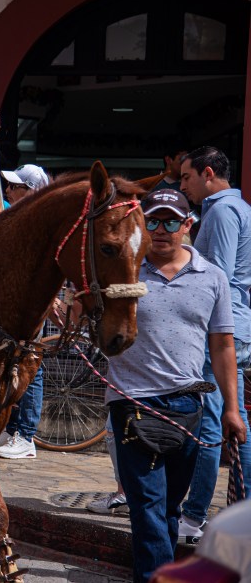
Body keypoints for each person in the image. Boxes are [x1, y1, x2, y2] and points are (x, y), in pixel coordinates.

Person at [106, 188, 244, 583]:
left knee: (168, 507)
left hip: (187, 406)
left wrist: (232, 409)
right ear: (142, 224)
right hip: (132, 403)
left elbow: (222, 346)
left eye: (171, 222)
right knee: (147, 506)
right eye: (153, 221)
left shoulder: (213, 277)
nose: (162, 230)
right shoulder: (124, 271)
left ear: (188, 225)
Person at [178, 146, 251, 543]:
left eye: (187, 177)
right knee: (233, 419)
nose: (183, 185)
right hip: (233, 325)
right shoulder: (236, 208)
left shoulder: (221, 210)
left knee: (213, 424)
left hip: (221, 329)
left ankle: (193, 517)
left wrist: (184, 248)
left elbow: (217, 277)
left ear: (208, 173)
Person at [0, 164, 52, 461]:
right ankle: (14, 427)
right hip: (15, 305)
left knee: (31, 365)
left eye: (15, 187)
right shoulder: (18, 217)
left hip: (31, 306)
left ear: (30, 191)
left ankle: (26, 435)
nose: (8, 191)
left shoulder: (40, 223)